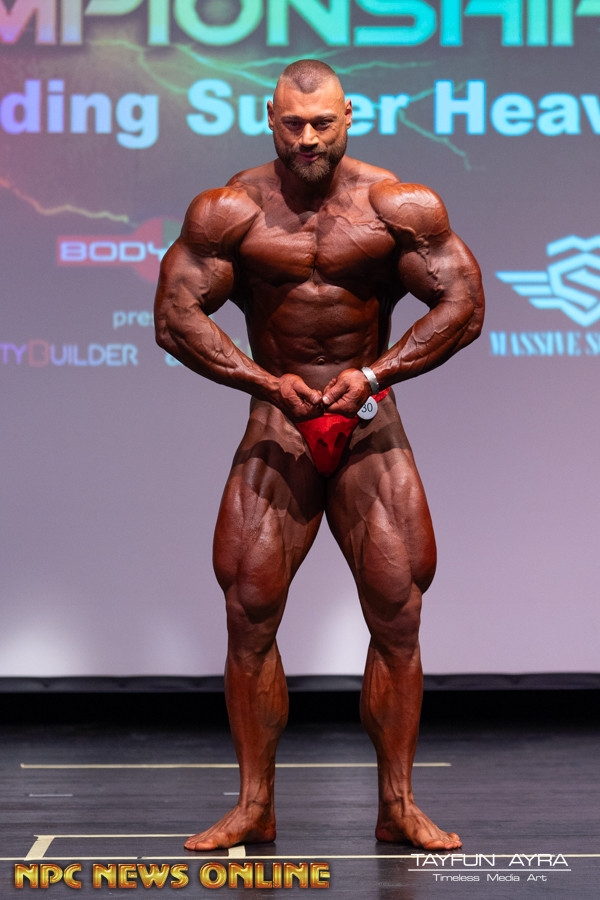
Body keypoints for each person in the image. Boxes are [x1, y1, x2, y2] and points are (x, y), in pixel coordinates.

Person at [154, 59, 484, 852]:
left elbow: (464, 304)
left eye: (322, 123)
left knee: (398, 611)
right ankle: (254, 806)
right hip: (279, 422)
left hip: (367, 420)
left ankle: (398, 805)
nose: (307, 138)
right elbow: (175, 316)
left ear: (349, 117)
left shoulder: (396, 205)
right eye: (293, 124)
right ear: (270, 120)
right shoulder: (230, 211)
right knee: (248, 610)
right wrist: (266, 382)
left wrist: (374, 373)